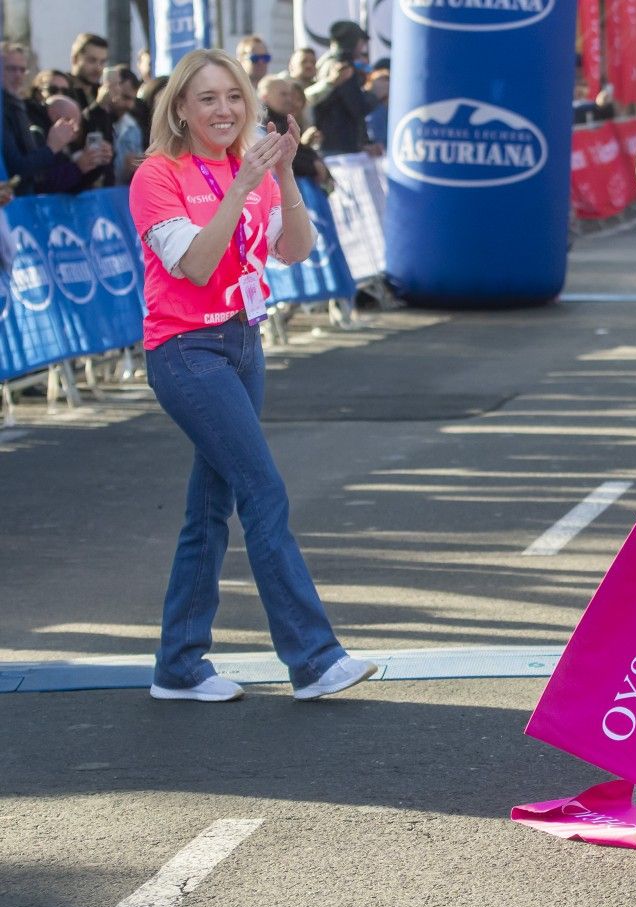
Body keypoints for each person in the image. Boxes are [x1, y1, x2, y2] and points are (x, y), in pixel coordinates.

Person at [128, 48, 377, 703]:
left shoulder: (257, 170)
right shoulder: (157, 175)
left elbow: (293, 250)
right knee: (262, 492)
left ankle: (179, 665)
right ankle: (314, 657)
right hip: (185, 350)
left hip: (242, 342)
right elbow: (197, 266)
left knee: (209, 508)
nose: (223, 110)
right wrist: (239, 187)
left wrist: (286, 178)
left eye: (233, 97)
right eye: (207, 98)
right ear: (180, 108)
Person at [2, 42, 108, 194]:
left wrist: (94, 163)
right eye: (11, 69)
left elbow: (63, 184)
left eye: (22, 69)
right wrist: (51, 148)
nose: (18, 75)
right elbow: (19, 171)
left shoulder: (19, 109)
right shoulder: (14, 112)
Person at [308, 20, 379, 156]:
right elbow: (356, 106)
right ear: (355, 41)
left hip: (334, 144)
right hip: (339, 147)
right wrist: (375, 93)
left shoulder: (326, 62)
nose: (363, 47)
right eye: (361, 41)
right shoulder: (342, 66)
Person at [68, 32, 109, 109]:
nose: (98, 68)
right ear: (75, 59)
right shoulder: (62, 90)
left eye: (102, 62)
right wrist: (99, 105)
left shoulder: (100, 91)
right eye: (92, 60)